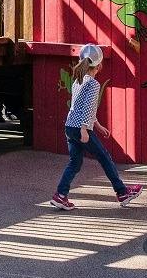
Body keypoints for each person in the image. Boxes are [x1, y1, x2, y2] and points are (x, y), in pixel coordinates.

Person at [51, 44, 141, 210]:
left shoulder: (78, 81)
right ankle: (122, 192)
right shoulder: (93, 84)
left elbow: (78, 107)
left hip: (70, 126)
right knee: (104, 157)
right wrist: (85, 128)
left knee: (75, 163)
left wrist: (97, 125)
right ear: (99, 66)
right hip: (80, 128)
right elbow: (87, 107)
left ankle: (60, 195)